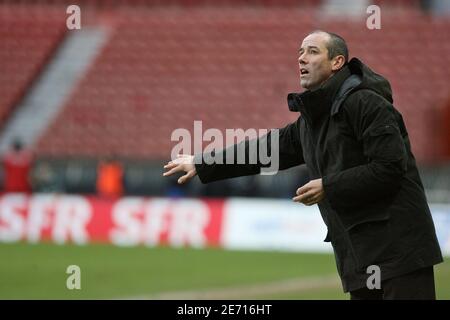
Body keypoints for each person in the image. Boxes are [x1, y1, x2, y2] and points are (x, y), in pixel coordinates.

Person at [163, 30, 443, 300]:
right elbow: (266, 149)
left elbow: (389, 168)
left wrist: (329, 186)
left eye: (312, 51)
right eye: (299, 52)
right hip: (360, 256)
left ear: (337, 62)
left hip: (400, 252)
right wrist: (203, 164)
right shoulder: (311, 121)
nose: (301, 58)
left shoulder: (367, 103)